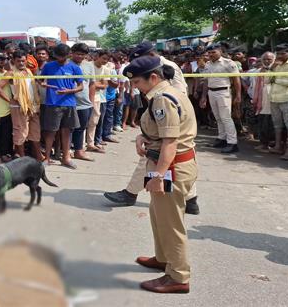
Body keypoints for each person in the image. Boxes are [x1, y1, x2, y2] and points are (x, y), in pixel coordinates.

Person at [123, 56, 197, 293]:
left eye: (137, 82)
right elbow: (160, 132)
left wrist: (158, 175)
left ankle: (178, 276)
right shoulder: (164, 94)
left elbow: (170, 142)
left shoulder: (162, 99)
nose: (134, 87)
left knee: (171, 223)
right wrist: (142, 137)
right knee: (158, 214)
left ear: (153, 77)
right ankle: (164, 257)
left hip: (170, 167)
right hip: (165, 163)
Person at [38, 44, 83, 169]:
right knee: (50, 132)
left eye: (63, 56)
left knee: (66, 131)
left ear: (68, 54)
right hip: (52, 104)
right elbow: (40, 80)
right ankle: (47, 158)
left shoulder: (75, 68)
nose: (60, 59)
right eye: (58, 56)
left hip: (69, 103)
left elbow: (81, 86)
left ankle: (66, 158)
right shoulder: (48, 66)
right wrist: (44, 85)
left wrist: (68, 91)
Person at [0, 50, 43, 160]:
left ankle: (38, 156)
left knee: (35, 133)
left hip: (33, 106)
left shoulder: (29, 71)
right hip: (19, 108)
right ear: (13, 61)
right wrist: (11, 100)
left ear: (26, 60)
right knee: (21, 134)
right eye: (18, 61)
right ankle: (22, 159)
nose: (21, 63)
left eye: (23, 61)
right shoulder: (11, 73)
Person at [200, 43, 241, 153]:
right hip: (211, 92)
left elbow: (236, 80)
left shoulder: (228, 63)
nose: (211, 54)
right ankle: (222, 139)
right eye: (209, 53)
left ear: (220, 52)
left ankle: (232, 142)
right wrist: (204, 96)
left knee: (226, 118)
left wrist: (238, 95)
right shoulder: (208, 64)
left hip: (223, 92)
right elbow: (206, 80)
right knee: (217, 117)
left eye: (213, 52)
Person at [69, 43, 94, 161]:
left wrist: (92, 101)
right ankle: (67, 151)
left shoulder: (89, 66)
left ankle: (78, 151)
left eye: (83, 54)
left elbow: (92, 84)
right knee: (68, 128)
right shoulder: (66, 64)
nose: (80, 56)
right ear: (72, 53)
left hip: (85, 103)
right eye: (77, 53)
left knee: (81, 128)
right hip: (69, 102)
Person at [86, 50, 110, 153]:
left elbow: (104, 85)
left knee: (94, 121)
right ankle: (80, 145)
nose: (105, 61)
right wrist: (95, 84)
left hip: (96, 98)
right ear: (97, 56)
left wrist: (94, 84)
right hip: (83, 97)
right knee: (83, 123)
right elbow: (85, 83)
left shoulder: (106, 70)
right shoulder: (88, 66)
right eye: (103, 58)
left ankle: (90, 144)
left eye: (107, 59)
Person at [252, 52, 276, 150]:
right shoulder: (259, 71)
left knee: (273, 122)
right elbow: (256, 87)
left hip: (274, 97)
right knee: (263, 120)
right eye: (265, 59)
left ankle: (273, 143)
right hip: (262, 98)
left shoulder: (277, 70)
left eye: (269, 59)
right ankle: (264, 143)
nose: (267, 61)